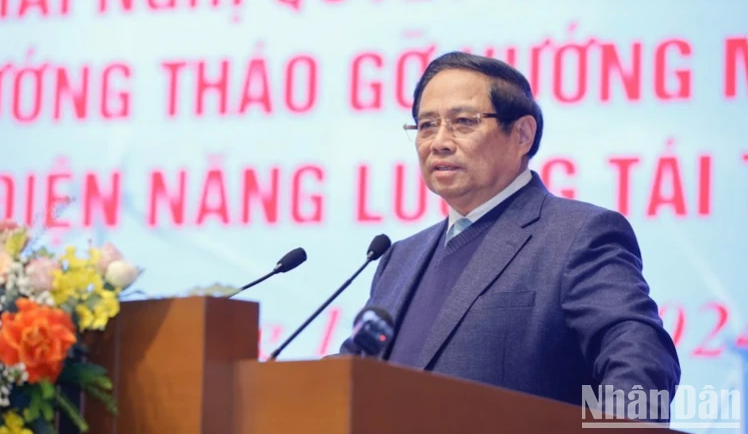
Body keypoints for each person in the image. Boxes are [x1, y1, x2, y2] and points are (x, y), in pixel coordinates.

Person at [339, 51, 681, 421]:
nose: (439, 142)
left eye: (463, 122)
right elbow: (350, 380)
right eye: (426, 125)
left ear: (522, 134)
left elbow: (642, 361)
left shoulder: (577, 235)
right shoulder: (398, 259)